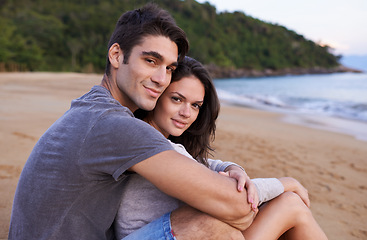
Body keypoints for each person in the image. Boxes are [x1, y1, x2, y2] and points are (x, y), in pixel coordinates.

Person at [9, 4, 256, 240]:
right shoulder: (114, 125)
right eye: (151, 61)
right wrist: (284, 185)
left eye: (170, 68)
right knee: (210, 227)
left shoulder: (92, 109)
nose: (162, 79)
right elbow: (239, 209)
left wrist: (233, 168)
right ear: (116, 55)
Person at [115, 56, 328, 240]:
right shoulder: (150, 142)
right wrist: (288, 183)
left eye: (195, 105)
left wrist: (234, 169)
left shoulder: (166, 143)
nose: (186, 113)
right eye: (177, 99)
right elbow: (236, 199)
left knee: (285, 208)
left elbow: (205, 164)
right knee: (289, 204)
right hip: (159, 234)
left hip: (177, 232)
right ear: (158, 94)